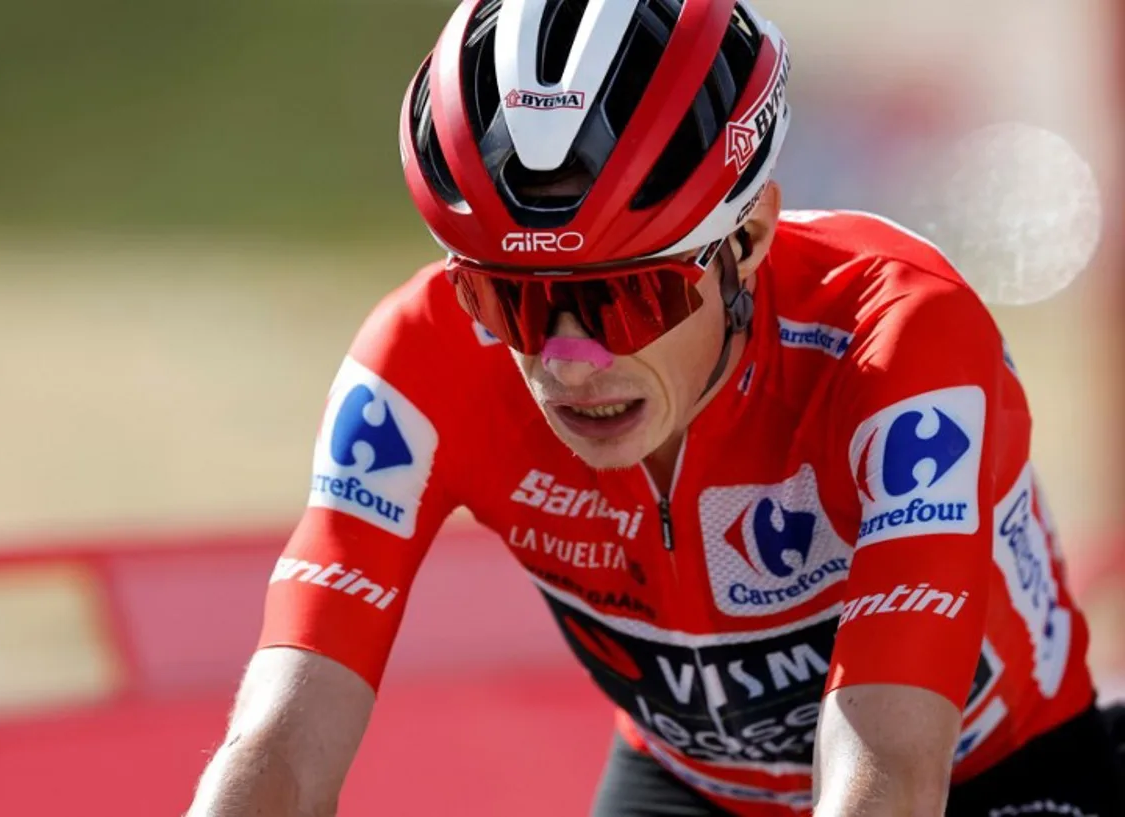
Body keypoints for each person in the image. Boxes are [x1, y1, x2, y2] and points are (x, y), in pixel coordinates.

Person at [186, 1, 1125, 815]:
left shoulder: (902, 338)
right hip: (692, 782)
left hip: (988, 772)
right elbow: (279, 752)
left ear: (746, 236)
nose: (568, 358)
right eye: (508, 299)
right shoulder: (419, 359)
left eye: (627, 298)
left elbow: (890, 769)